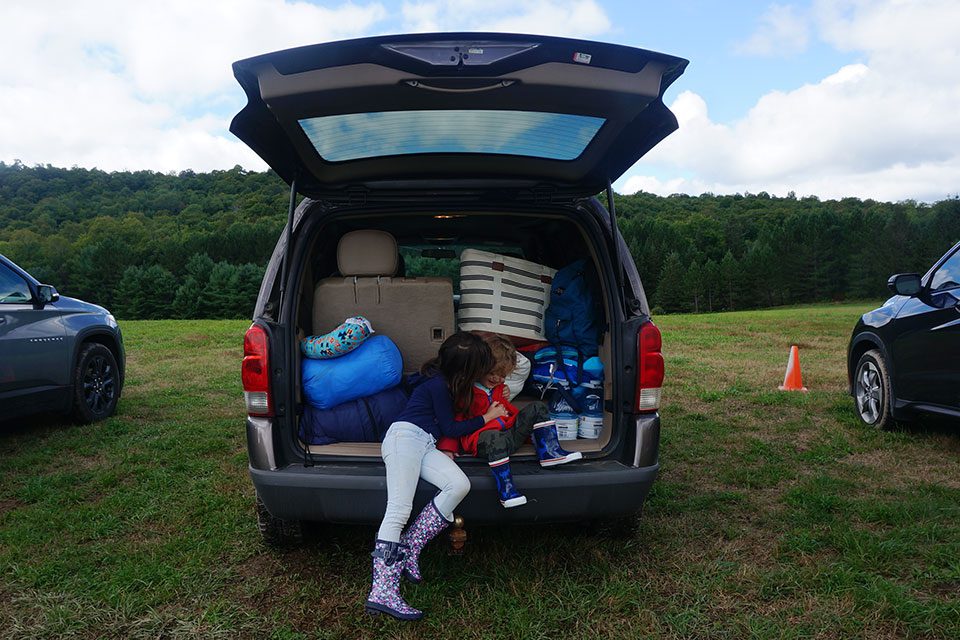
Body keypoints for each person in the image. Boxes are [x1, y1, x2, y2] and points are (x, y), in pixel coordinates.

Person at [365, 332, 509, 621]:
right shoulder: (437, 386)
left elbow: (447, 426)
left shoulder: (452, 384)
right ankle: (381, 592)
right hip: (404, 439)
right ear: (467, 370)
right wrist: (488, 417)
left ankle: (409, 547)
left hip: (424, 442)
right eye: (482, 365)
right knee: (398, 509)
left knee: (459, 485)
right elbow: (451, 428)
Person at [438, 333, 582, 509]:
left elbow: (509, 412)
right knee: (493, 437)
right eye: (492, 373)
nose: (497, 379)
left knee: (537, 407)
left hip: (507, 435)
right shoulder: (466, 392)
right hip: (482, 441)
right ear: (478, 367)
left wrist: (529, 431)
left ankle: (549, 453)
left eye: (502, 376)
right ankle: (506, 490)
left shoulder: (499, 388)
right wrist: (448, 448)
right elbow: (455, 422)